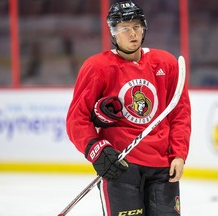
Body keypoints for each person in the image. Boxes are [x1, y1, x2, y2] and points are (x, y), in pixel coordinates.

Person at [66, 1, 191, 215]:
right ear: (113, 33)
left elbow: (179, 113)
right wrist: (97, 150)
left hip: (162, 168)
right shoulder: (97, 67)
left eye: (137, 26)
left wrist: (179, 154)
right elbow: (77, 119)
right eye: (125, 28)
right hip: (121, 168)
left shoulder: (166, 64)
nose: (132, 33)